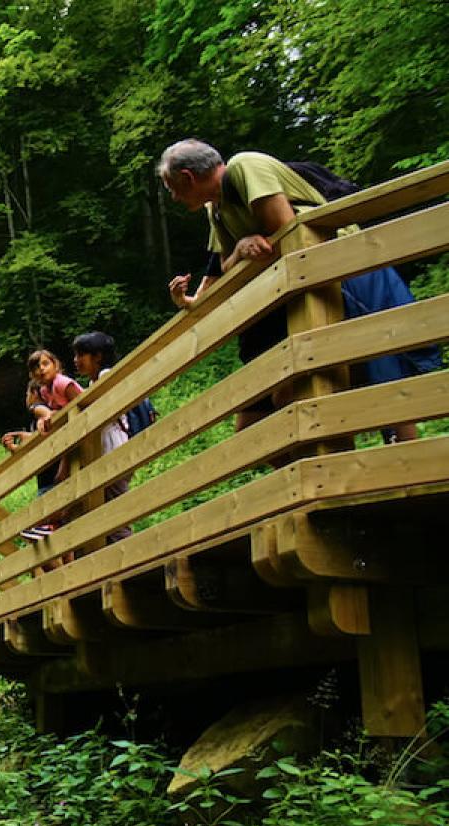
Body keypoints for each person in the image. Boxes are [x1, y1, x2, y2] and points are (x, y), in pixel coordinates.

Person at [158, 139, 436, 441]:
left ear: (188, 177)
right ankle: (348, 472)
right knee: (301, 394)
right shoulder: (217, 209)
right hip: (306, 284)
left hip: (343, 266)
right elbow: (227, 266)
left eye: (171, 188)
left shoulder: (244, 166)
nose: (173, 197)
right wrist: (239, 249)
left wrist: (247, 249)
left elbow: (288, 230)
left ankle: (415, 475)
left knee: (383, 371)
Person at [72, 331, 132, 543]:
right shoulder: (93, 383)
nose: (76, 360)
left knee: (115, 513)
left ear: (97, 356)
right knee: (109, 513)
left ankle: (131, 563)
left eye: (81, 355)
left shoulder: (107, 377)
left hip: (113, 450)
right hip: (106, 450)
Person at [19, 348, 82, 541]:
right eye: (36, 367)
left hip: (78, 436)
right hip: (66, 442)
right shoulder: (47, 391)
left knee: (65, 488)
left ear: (56, 364)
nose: (41, 370)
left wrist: (50, 416)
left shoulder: (61, 383)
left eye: (45, 364)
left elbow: (81, 403)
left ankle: (50, 523)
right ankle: (52, 524)